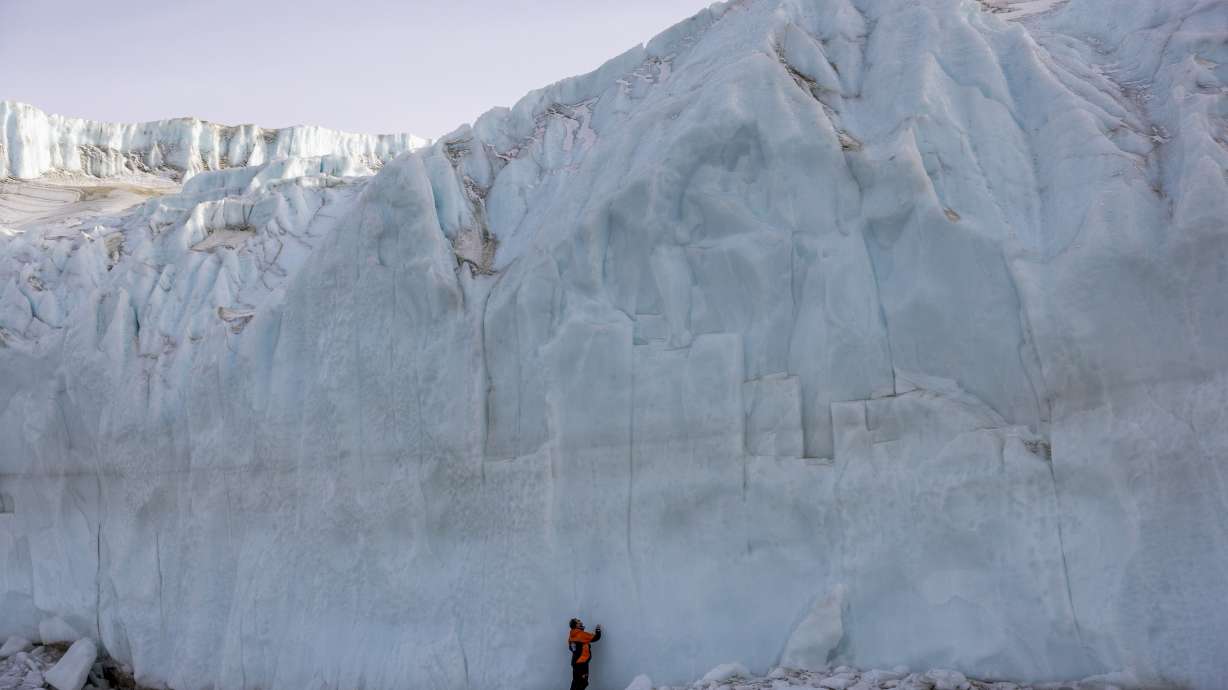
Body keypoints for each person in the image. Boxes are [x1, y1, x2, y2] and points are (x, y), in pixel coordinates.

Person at [567, 618, 602, 690]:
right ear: (576, 625)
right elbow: (595, 637)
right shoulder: (580, 634)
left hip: (575, 662)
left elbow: (571, 648)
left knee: (576, 682)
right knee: (582, 683)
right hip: (582, 664)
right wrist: (598, 630)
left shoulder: (572, 635)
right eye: (578, 621)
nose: (580, 622)